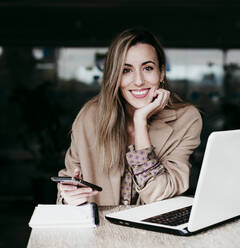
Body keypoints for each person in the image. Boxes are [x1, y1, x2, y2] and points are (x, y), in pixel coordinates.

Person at [57, 28, 202, 206]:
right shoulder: (90, 116)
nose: (139, 80)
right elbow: (67, 184)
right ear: (114, 76)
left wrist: (140, 121)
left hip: (155, 230)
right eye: (126, 70)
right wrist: (68, 197)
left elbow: (157, 193)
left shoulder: (186, 119)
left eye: (148, 68)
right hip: (101, 229)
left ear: (161, 73)